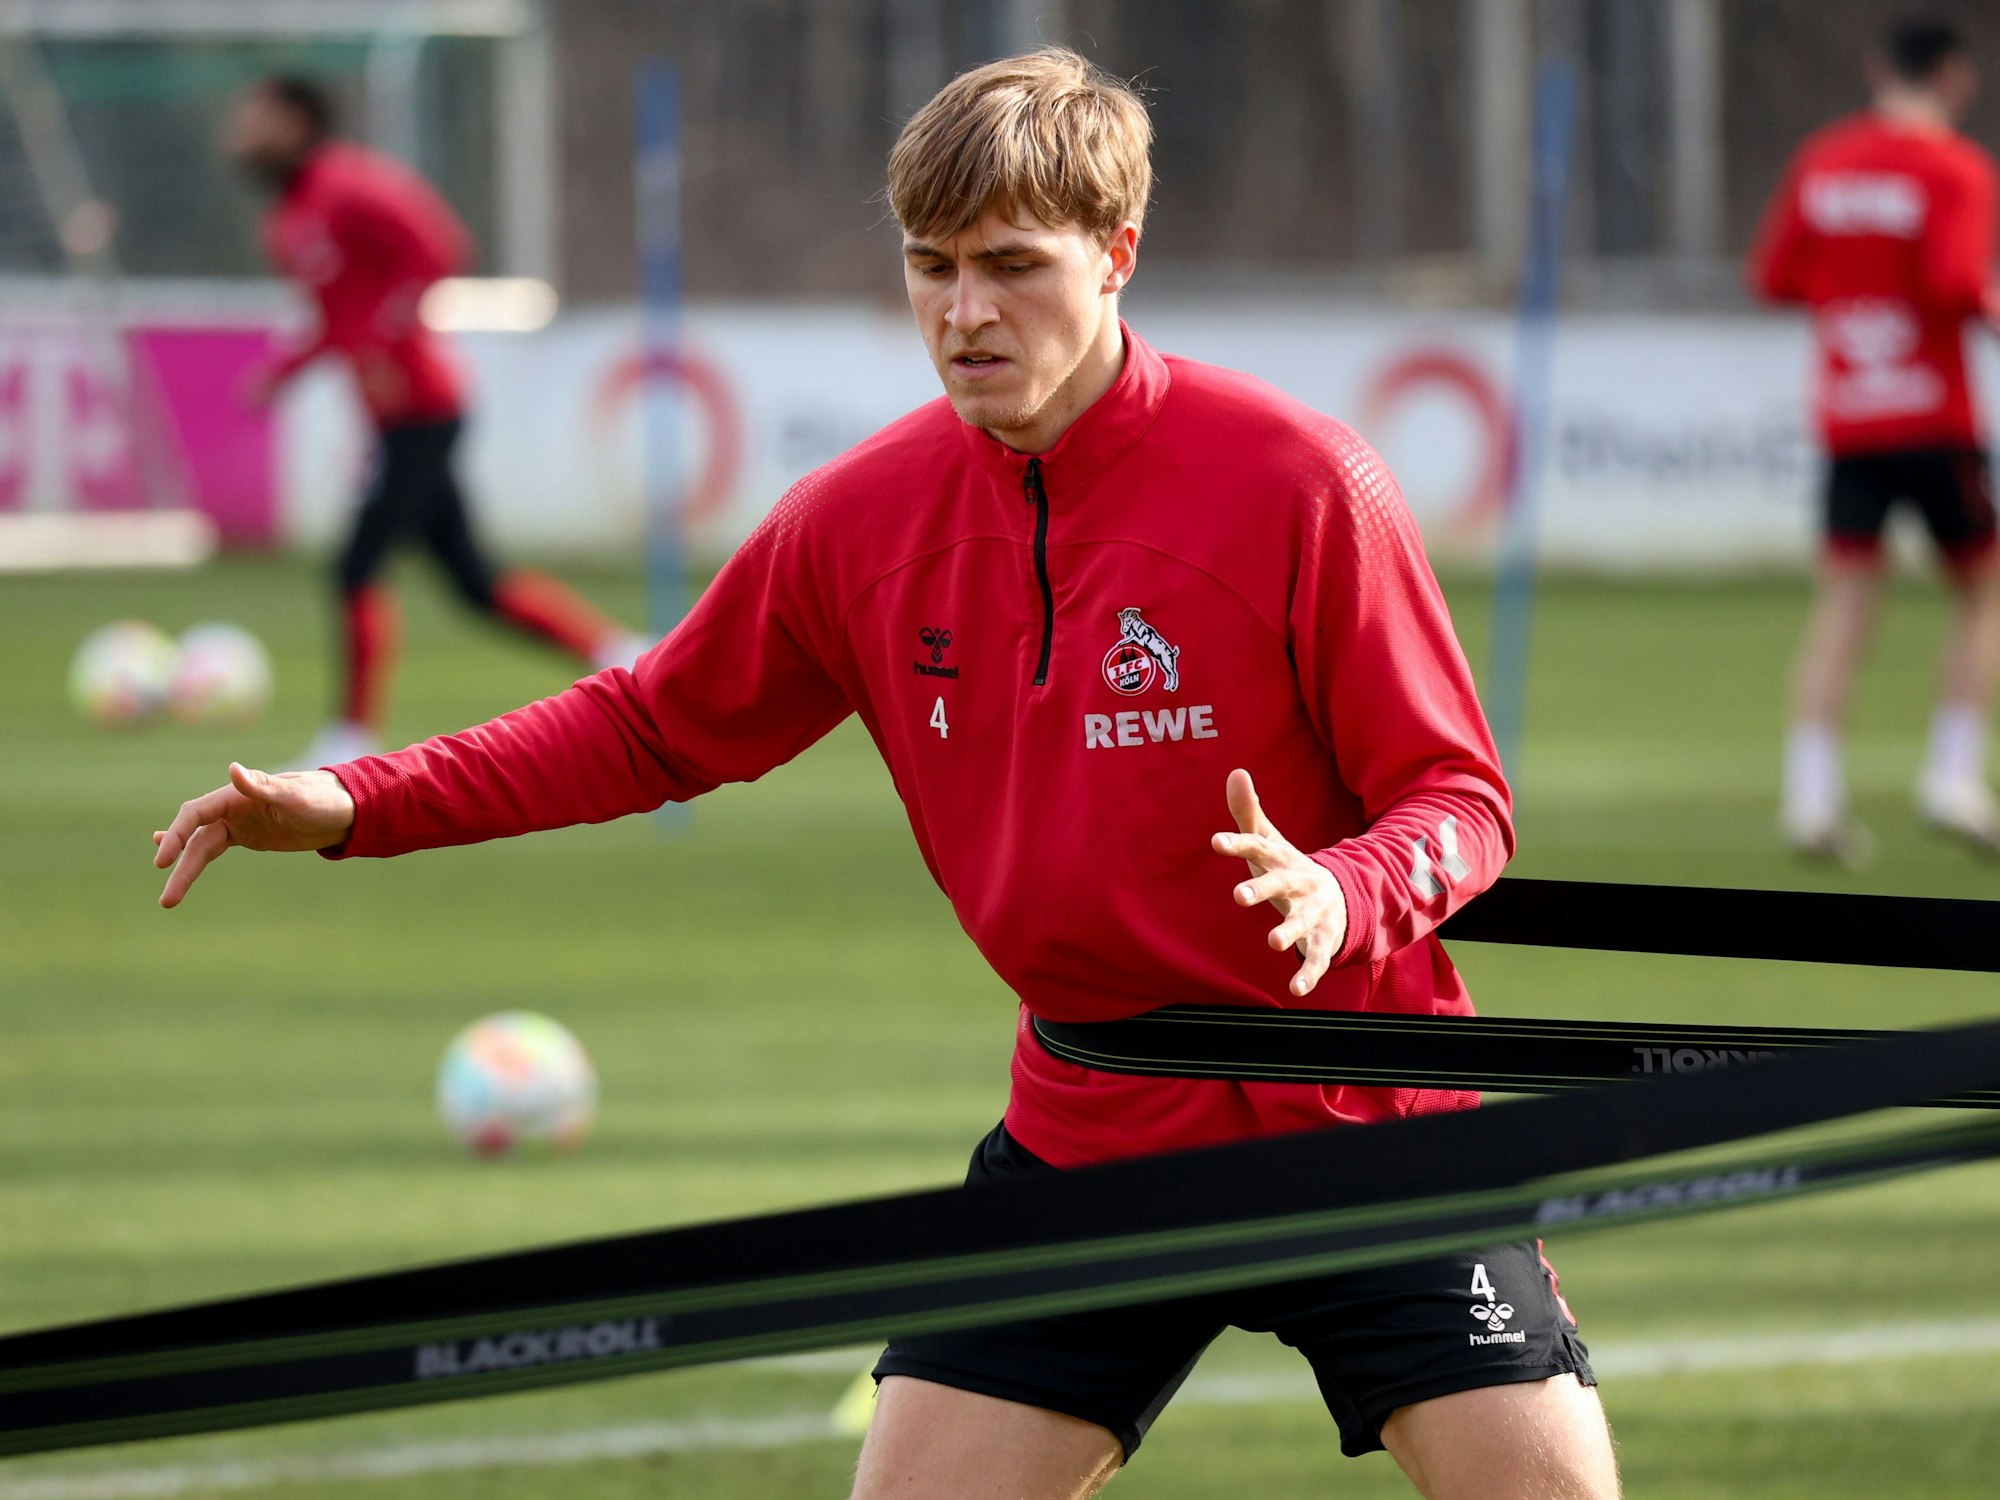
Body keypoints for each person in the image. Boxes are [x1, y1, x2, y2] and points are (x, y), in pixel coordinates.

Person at [163, 50, 1616, 1500]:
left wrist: (1343, 890)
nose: (964, 313)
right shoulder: (859, 523)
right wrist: (363, 802)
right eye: (931, 267)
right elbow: (647, 728)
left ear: (1118, 256)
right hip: (1091, 1131)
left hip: (1368, 1133)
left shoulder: (1299, 482)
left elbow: (1461, 801)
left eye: (1011, 266)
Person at [226, 74, 644, 769]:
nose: (241, 133)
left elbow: (441, 246)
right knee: (476, 586)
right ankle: (622, 652)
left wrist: (390, 338)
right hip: (391, 418)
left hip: (423, 408)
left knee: (355, 568)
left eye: (257, 117)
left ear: (300, 121)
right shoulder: (286, 221)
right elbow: (336, 320)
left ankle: (351, 738)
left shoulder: (350, 185)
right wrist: (284, 373)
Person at [1751, 18, 2000, 862]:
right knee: (1983, 595)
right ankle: (1953, 775)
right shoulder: (1957, 169)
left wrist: (1850, 292)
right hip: (1935, 416)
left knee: (1845, 603)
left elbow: (1774, 276)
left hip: (1852, 416)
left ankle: (1811, 798)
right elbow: (1953, 281)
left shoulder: (1823, 160)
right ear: (1955, 78)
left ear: (1877, 68)